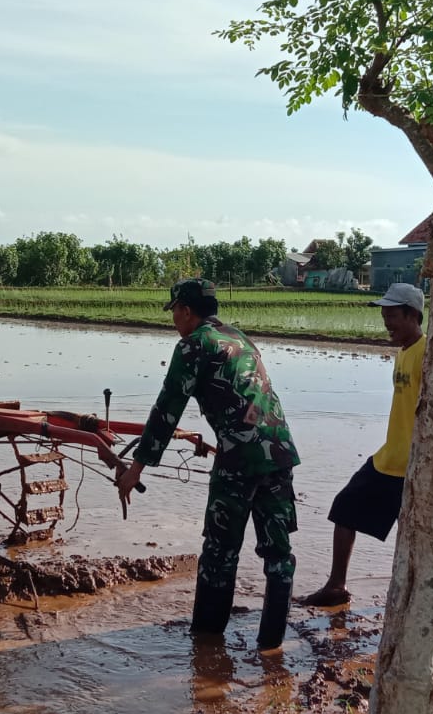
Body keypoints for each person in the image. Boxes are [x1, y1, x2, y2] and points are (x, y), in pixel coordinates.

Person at [118, 278, 301, 651]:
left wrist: (136, 467)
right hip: (279, 452)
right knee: (278, 554)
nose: (173, 320)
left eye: (174, 312)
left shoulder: (193, 346)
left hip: (238, 459)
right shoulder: (241, 339)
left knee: (219, 551)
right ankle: (272, 645)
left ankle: (205, 642)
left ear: (186, 311)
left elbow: (167, 408)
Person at [296, 282, 425, 608]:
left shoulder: (428, 353)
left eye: (392, 315)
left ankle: (411, 600)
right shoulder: (405, 351)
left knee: (412, 537)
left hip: (411, 466)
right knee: (345, 508)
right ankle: (336, 586)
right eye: (384, 315)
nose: (386, 322)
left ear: (412, 315)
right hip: (389, 458)